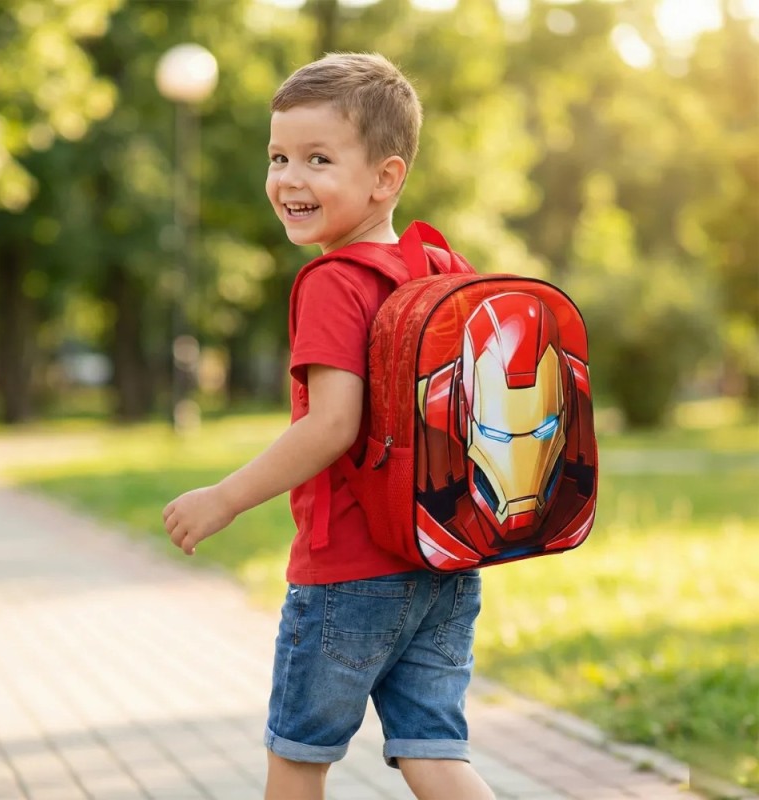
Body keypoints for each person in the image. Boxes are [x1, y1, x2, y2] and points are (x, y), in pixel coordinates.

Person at [162, 52, 495, 800]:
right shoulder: (438, 267)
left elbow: (331, 426)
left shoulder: (334, 281)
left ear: (386, 178)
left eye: (319, 159)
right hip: (442, 556)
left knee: (298, 754)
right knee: (434, 750)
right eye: (279, 157)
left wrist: (225, 497)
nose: (290, 179)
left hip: (349, 566)